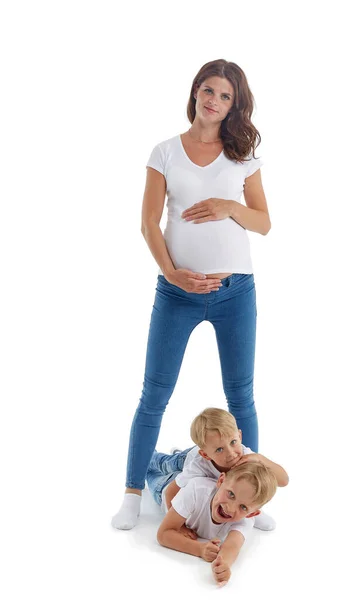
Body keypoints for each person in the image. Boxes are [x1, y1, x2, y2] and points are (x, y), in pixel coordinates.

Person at [112, 58, 272, 530]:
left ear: (233, 105)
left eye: (225, 96)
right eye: (208, 90)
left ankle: (253, 494)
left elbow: (263, 223)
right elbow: (148, 223)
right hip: (177, 293)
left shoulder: (241, 155)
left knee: (241, 396)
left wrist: (229, 205)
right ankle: (131, 493)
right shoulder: (164, 152)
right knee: (154, 395)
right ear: (195, 91)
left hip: (235, 290)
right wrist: (173, 273)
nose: (214, 101)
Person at [146, 408, 289, 532]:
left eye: (233, 442)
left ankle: (248, 510)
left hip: (205, 456)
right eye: (220, 449)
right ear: (205, 454)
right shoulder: (198, 464)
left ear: (239, 436)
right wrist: (179, 525)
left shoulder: (245, 456)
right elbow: (171, 492)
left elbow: (283, 480)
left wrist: (259, 459)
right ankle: (148, 456)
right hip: (186, 460)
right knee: (165, 464)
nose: (231, 453)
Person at [151, 460, 277, 586]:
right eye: (231, 494)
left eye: (243, 507)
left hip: (188, 485)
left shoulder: (244, 520)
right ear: (221, 480)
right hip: (165, 487)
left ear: (252, 514)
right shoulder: (196, 489)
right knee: (151, 467)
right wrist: (199, 549)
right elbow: (163, 534)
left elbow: (231, 547)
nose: (231, 508)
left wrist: (224, 566)